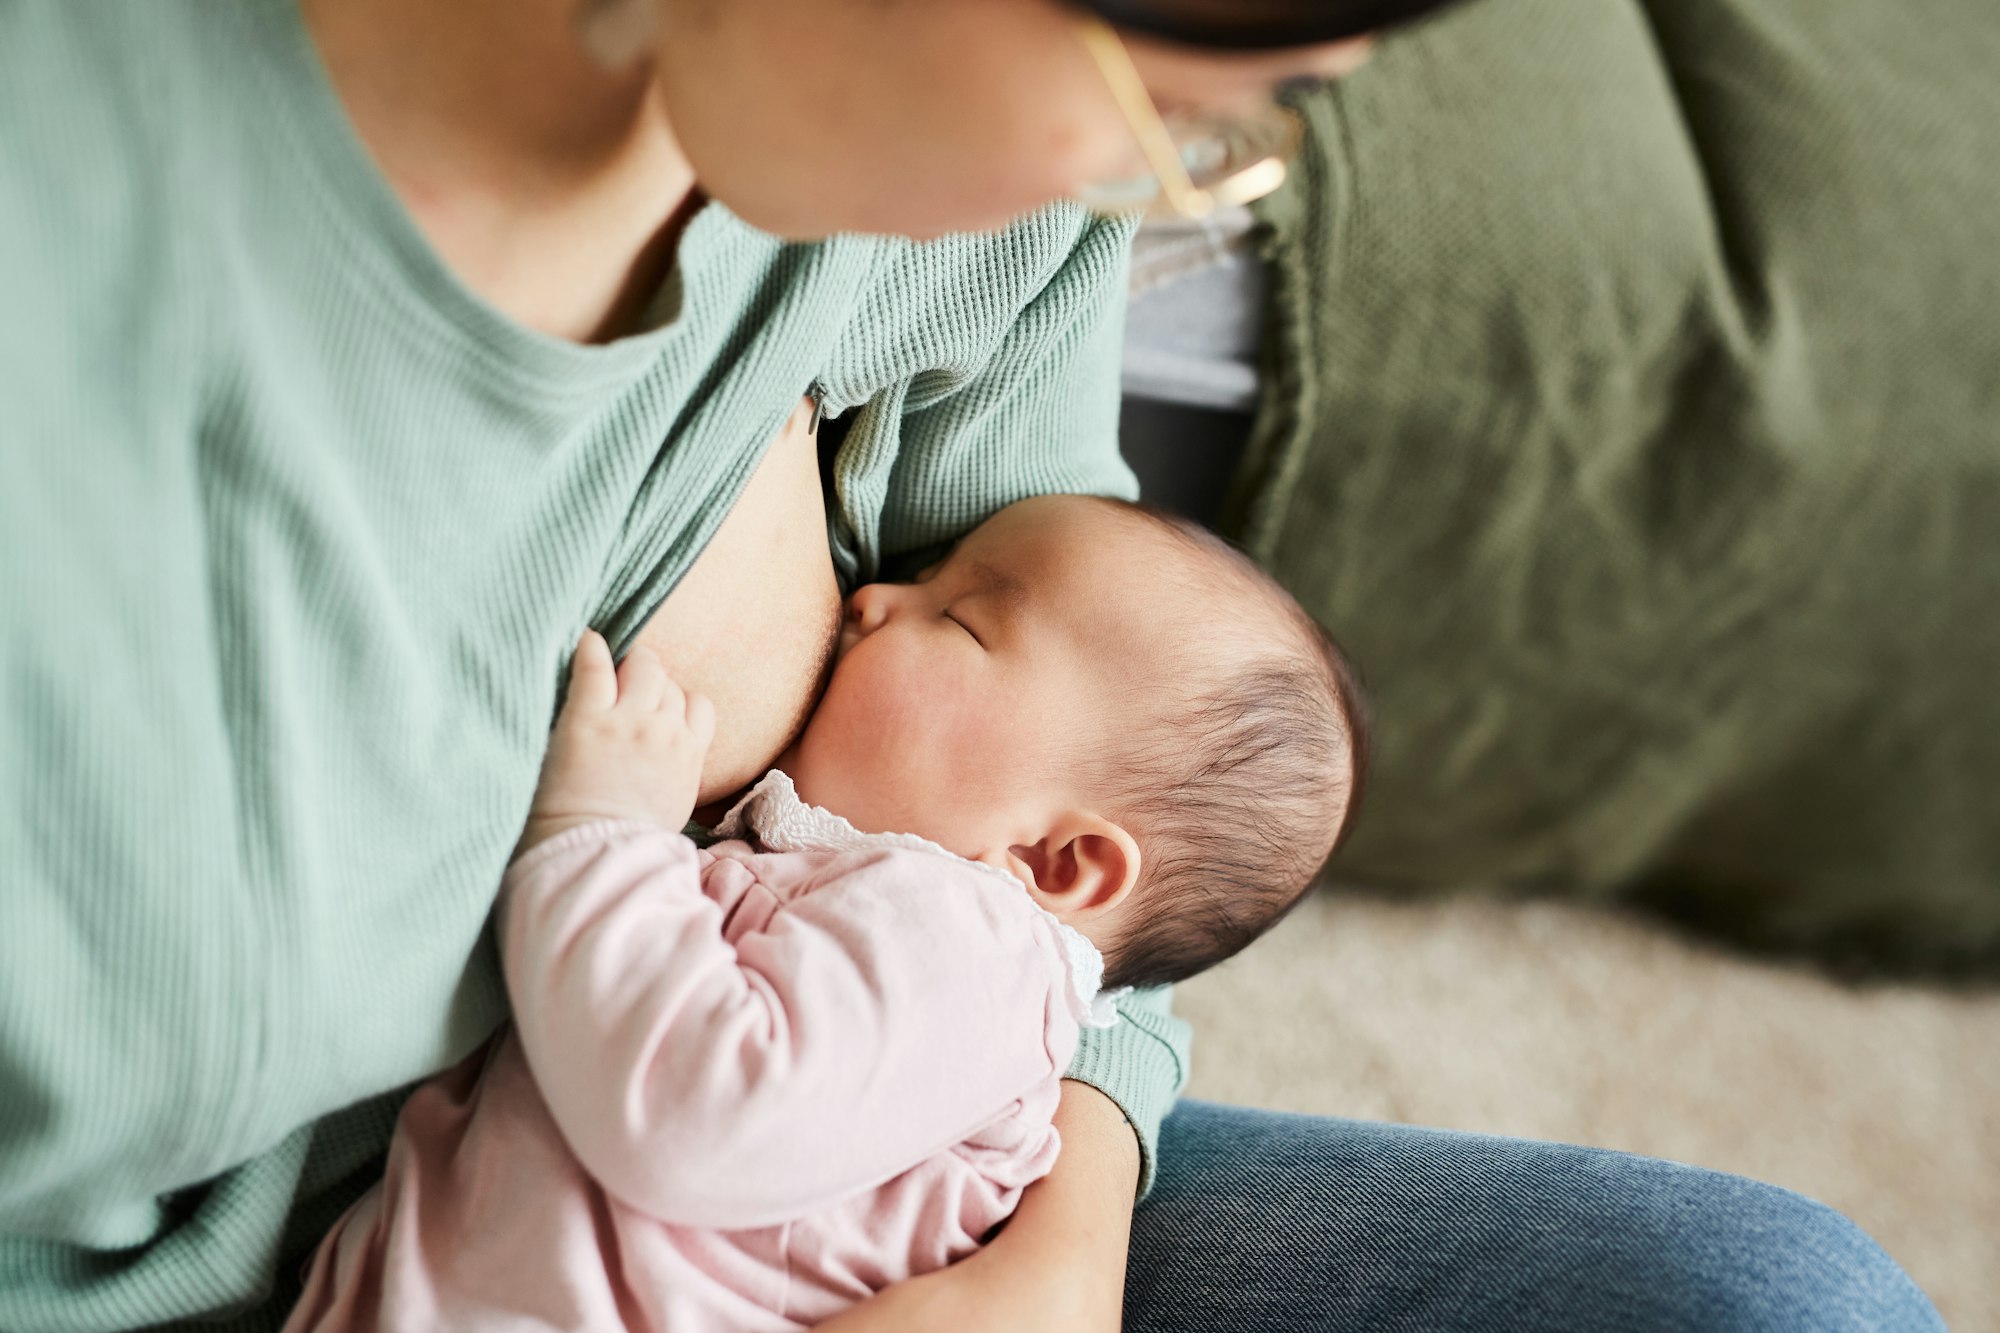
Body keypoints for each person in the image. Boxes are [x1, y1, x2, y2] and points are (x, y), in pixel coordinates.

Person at [0, 0, 1939, 1328]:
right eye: (1171, 103)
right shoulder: (88, 305)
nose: (1168, 179)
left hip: (738, 1227)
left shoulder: (965, 211)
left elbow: (1121, 835)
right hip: (317, 1263)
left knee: (1758, 1301)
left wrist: (1062, 1241)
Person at [284, 493, 1364, 1331]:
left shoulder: (967, 946)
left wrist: (603, 830)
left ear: (1056, 858)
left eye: (962, 618)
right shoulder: (892, 918)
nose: (874, 596)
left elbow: (693, 1113)